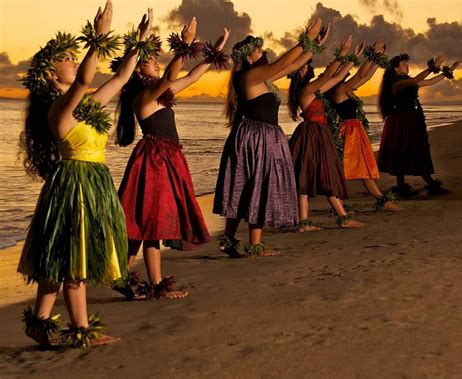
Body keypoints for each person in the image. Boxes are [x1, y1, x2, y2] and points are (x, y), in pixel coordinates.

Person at [17, 2, 154, 347]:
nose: (74, 61)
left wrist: (140, 40)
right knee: (74, 257)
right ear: (50, 73)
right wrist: (100, 34)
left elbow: (122, 78)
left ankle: (40, 322)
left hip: (93, 184)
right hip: (74, 187)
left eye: (74, 56)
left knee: (57, 256)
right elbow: (84, 79)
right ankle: (81, 331)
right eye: (66, 58)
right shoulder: (59, 109)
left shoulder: (88, 107)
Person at [115, 21, 230, 299]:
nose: (153, 61)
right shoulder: (143, 96)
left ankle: (128, 277)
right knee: (146, 223)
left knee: (148, 223)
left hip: (167, 158)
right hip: (154, 161)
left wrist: (214, 52)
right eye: (147, 61)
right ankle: (140, 281)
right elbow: (169, 76)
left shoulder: (160, 95)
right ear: (137, 71)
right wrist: (185, 44)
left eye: (154, 59)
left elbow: (190, 78)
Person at [214, 19, 325, 257]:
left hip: (256, 136)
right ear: (248, 57)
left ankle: (229, 239)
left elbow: (290, 66)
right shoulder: (250, 76)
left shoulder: (260, 78)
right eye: (257, 49)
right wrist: (304, 38)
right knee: (257, 184)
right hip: (258, 137)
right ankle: (255, 244)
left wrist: (312, 46)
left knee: (245, 185)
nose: (261, 51)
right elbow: (283, 62)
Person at [288, 35, 366, 229]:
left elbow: (338, 77)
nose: (310, 67)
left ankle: (338, 216)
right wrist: (342, 54)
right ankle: (311, 221)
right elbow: (326, 76)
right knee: (306, 177)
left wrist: (352, 58)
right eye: (306, 65)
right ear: (300, 73)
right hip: (311, 135)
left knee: (324, 174)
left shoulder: (313, 90)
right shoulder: (305, 90)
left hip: (320, 134)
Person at [378, 53, 461, 196]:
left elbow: (430, 82)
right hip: (401, 122)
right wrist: (433, 66)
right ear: (396, 69)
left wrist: (448, 71)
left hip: (413, 119)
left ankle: (405, 187)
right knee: (406, 150)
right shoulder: (396, 84)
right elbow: (417, 79)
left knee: (414, 149)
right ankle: (426, 185)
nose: (407, 65)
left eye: (406, 63)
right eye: (403, 64)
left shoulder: (408, 81)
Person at [330, 41, 399, 211]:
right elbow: (360, 75)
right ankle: (382, 201)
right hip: (349, 132)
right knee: (359, 169)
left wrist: (377, 59)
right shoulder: (338, 90)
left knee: (362, 168)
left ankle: (380, 200)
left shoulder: (348, 89)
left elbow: (366, 77)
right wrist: (373, 55)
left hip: (356, 130)